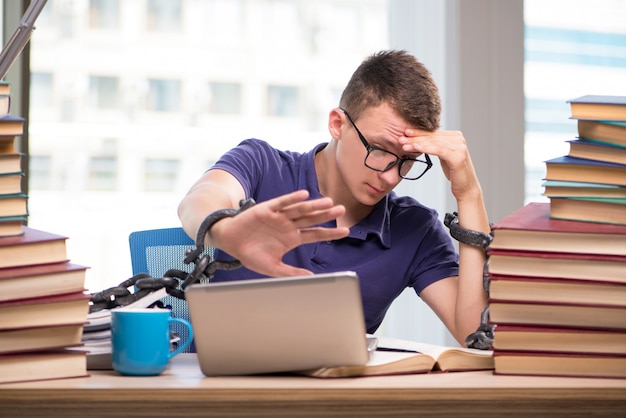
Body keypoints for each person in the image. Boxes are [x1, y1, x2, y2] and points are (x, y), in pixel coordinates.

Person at [178, 50, 490, 346]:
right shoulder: (261, 165)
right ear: (337, 124)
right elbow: (199, 200)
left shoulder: (414, 228)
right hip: (224, 392)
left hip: (333, 399)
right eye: (380, 150)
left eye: (408, 160)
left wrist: (469, 194)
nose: (392, 177)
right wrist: (224, 231)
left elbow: (474, 334)